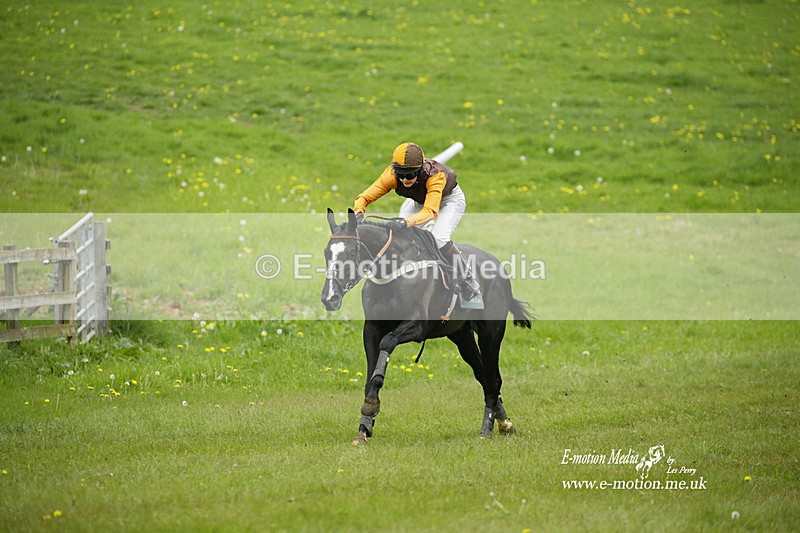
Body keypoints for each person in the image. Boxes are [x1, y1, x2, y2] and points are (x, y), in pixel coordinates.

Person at [352, 142, 481, 301]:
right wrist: (358, 214)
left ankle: (467, 278)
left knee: (438, 239)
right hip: (419, 200)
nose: (405, 179)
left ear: (420, 170)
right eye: (401, 173)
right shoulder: (390, 175)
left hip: (449, 200)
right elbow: (363, 197)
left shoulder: (435, 176)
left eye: (411, 174)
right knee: (399, 235)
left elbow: (430, 211)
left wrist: (406, 222)